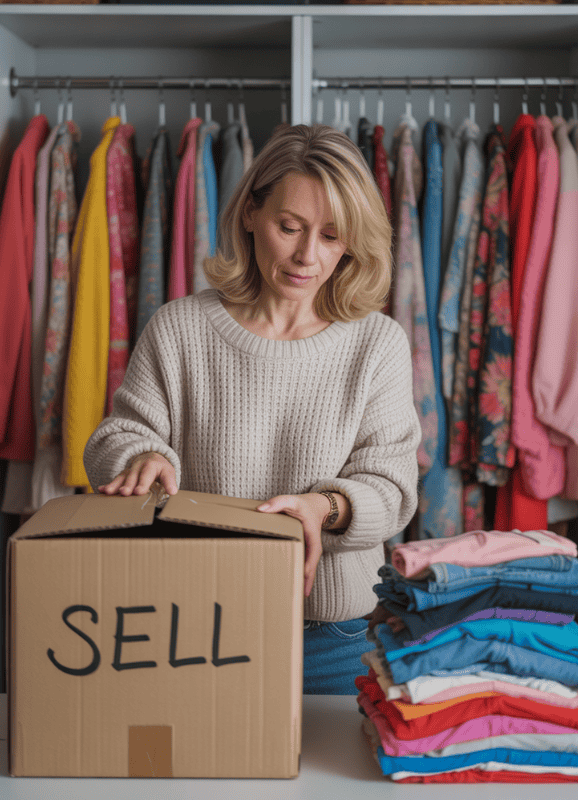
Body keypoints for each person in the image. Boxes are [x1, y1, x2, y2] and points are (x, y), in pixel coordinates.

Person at [84, 124, 421, 694]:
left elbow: (392, 491)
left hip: (334, 639)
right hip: (190, 629)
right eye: (289, 227)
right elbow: (116, 435)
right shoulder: (180, 327)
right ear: (249, 213)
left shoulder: (377, 343)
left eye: (332, 236)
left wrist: (324, 508)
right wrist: (141, 456)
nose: (307, 255)